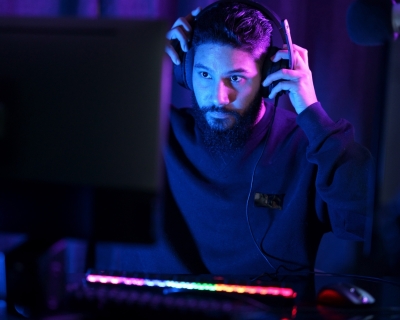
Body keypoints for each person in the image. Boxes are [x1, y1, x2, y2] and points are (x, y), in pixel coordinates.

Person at [117, 0, 373, 276]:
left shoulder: (307, 145)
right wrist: (144, 65)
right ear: (186, 72)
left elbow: (365, 220)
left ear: (267, 77)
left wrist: (312, 112)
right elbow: (86, 141)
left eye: (236, 79)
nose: (218, 97)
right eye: (204, 74)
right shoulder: (155, 131)